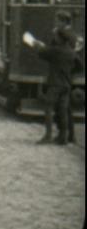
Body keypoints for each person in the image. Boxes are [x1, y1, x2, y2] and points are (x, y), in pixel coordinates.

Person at [29, 11, 82, 145]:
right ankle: (63, 137)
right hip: (66, 84)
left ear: (59, 38)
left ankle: (47, 136)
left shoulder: (55, 50)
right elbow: (81, 66)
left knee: (48, 107)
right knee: (63, 110)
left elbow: (41, 52)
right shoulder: (71, 52)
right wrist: (69, 73)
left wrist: (35, 43)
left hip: (55, 84)